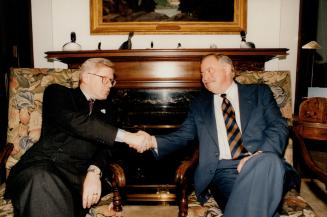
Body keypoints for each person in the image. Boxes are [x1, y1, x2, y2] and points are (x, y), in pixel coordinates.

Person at [141, 54, 290, 217]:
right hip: (224, 170)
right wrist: (152, 141)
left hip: (264, 162)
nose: (204, 77)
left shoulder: (259, 93)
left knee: (268, 161)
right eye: (202, 74)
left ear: (226, 69)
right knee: (253, 203)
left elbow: (278, 125)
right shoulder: (199, 104)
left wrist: (258, 156)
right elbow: (184, 136)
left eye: (209, 71)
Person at [5, 58, 150, 217]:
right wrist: (128, 137)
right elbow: (74, 121)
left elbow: (107, 150)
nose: (110, 84)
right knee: (42, 181)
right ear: (86, 77)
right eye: (105, 79)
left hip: (76, 180)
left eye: (112, 81)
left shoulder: (109, 111)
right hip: (39, 166)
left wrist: (95, 171)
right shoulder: (57, 92)